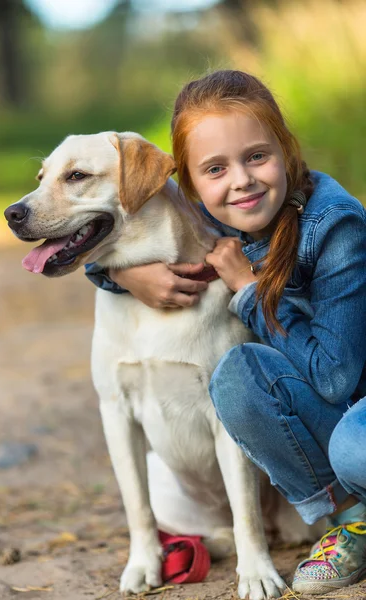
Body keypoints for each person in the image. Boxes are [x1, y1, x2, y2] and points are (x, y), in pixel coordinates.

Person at [85, 70, 366, 594]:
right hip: (318, 412)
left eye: (257, 156)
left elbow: (334, 377)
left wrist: (248, 290)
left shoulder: (335, 227)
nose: (241, 180)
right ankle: (348, 518)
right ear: (188, 186)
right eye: (216, 168)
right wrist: (124, 274)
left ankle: (355, 521)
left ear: (286, 149)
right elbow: (127, 226)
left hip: (354, 403)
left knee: (355, 447)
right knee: (238, 375)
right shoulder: (216, 213)